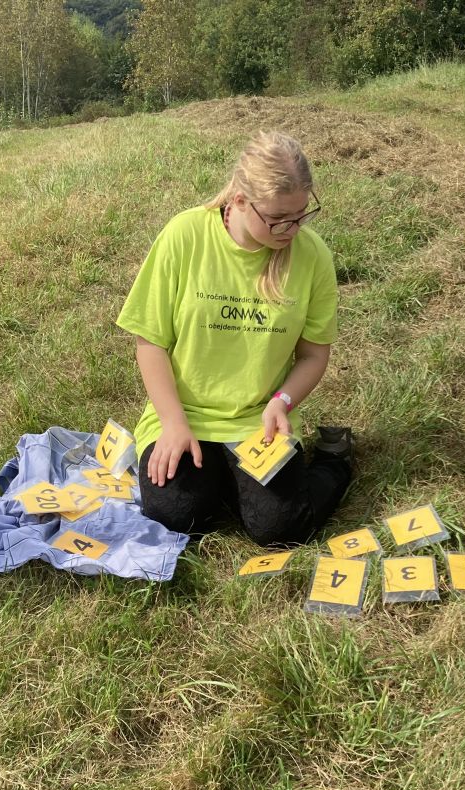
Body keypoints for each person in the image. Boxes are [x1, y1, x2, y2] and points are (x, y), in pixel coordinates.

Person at [116, 130, 353, 547]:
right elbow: (150, 343)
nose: (292, 229)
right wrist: (173, 423)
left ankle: (334, 460)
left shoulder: (312, 255)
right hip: (184, 414)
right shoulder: (185, 235)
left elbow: (314, 355)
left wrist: (282, 402)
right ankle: (229, 482)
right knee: (175, 515)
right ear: (241, 200)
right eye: (279, 218)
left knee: (280, 529)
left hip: (259, 421)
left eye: (302, 215)